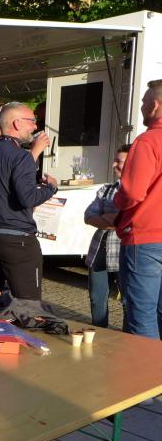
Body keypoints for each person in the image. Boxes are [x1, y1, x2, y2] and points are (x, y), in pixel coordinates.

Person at [0, 101, 57, 301]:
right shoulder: (21, 157)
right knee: (28, 306)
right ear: (17, 123)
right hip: (17, 240)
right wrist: (51, 188)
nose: (35, 126)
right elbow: (28, 198)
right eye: (31, 121)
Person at [114, 79, 162, 339]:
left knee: (141, 316)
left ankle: (147, 365)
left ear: (154, 105)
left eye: (144, 102)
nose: (142, 107)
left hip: (145, 238)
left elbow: (132, 193)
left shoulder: (147, 141)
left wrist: (117, 202)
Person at [84, 145, 130, 328]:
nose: (114, 165)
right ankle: (99, 334)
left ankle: (130, 338)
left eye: (119, 161)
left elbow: (129, 220)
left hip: (124, 251)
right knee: (97, 299)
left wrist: (105, 218)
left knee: (128, 301)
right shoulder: (106, 189)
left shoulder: (138, 191)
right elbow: (88, 216)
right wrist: (114, 220)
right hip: (99, 250)